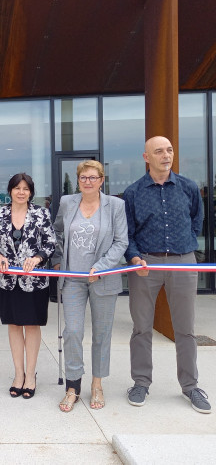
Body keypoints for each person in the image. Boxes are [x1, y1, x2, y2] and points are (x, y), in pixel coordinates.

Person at [123, 136, 211, 414]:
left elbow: (196, 220)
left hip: (183, 263)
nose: (166, 155)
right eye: (159, 151)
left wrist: (182, 247)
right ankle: (140, 382)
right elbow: (127, 233)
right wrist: (135, 257)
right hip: (145, 265)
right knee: (141, 328)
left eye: (169, 150)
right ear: (146, 157)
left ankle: (190, 386)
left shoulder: (187, 188)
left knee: (185, 329)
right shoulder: (134, 192)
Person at [51, 161, 127, 412]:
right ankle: (73, 386)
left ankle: (97, 384)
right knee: (72, 331)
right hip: (73, 279)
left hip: (103, 279)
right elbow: (57, 232)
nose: (88, 182)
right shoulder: (67, 202)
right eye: (83, 177)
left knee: (101, 335)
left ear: (102, 180)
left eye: (93, 177)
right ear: (78, 180)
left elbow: (120, 242)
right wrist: (58, 259)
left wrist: (102, 267)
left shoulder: (115, 205)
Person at [0, 173, 56, 400]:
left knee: (32, 325)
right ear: (10, 190)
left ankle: (31, 376)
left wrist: (37, 259)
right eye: (17, 188)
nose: (21, 192)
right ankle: (18, 374)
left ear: (31, 192)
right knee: (14, 324)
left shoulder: (41, 213)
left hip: (33, 280)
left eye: (25, 188)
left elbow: (50, 243)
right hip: (7, 280)